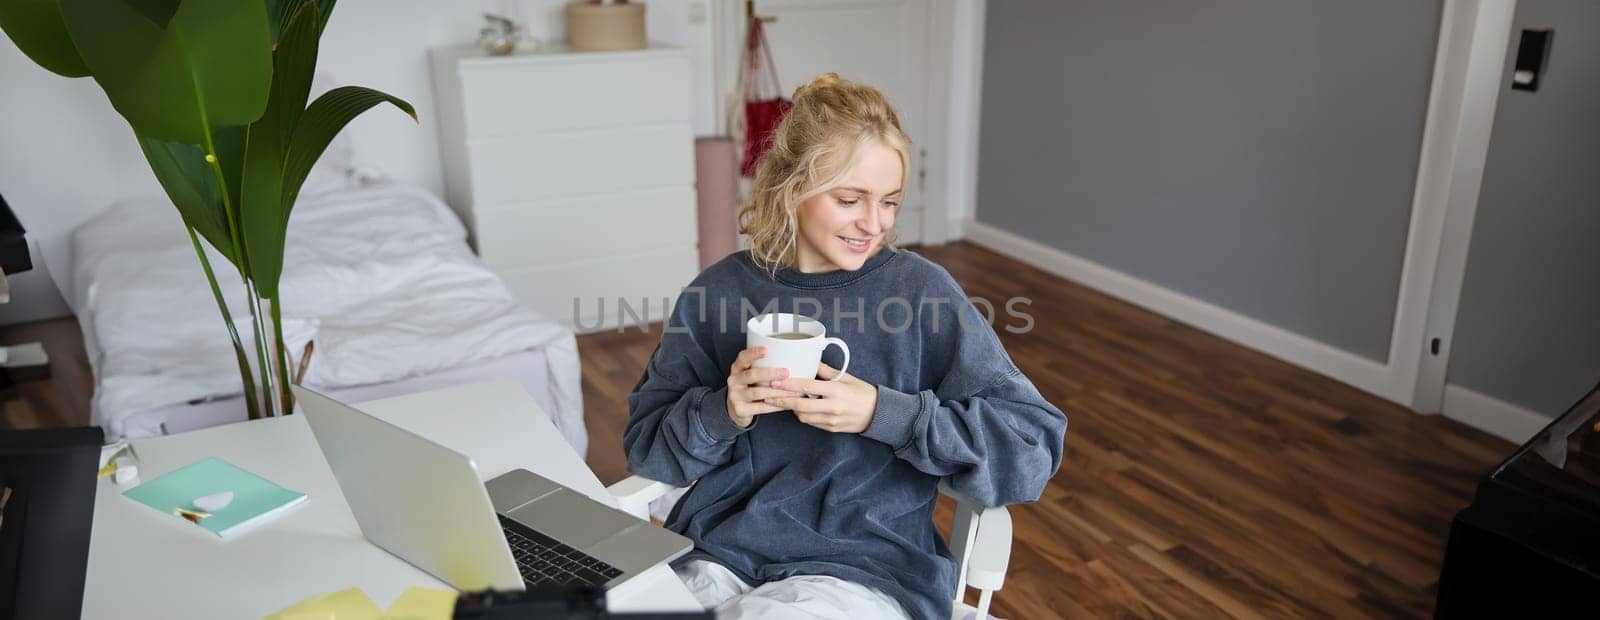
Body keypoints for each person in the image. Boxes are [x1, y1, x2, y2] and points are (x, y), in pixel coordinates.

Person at [623, 73, 1067, 619]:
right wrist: (724, 409)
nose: (873, 223)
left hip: (864, 568)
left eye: (890, 202)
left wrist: (886, 414)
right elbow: (646, 447)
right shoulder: (719, 292)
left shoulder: (921, 295)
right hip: (718, 554)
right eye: (850, 199)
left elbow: (1032, 449)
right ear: (791, 189)